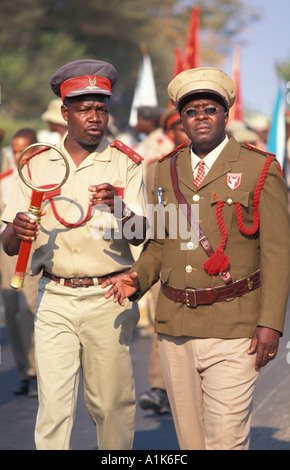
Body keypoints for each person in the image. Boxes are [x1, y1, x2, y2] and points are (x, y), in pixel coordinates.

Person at [101, 67, 290, 450]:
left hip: (236, 325)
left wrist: (271, 323)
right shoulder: (162, 171)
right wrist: (136, 277)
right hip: (176, 326)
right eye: (191, 111)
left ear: (225, 114)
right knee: (191, 442)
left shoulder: (260, 167)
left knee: (226, 439)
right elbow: (159, 242)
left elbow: (277, 252)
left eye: (209, 108)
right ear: (180, 119)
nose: (200, 116)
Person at [1, 59, 147, 450]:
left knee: (111, 404)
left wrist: (117, 206)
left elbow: (145, 232)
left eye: (101, 107)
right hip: (54, 297)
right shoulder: (37, 163)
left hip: (108, 298)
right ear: (66, 113)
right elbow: (9, 243)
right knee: (53, 409)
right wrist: (18, 227)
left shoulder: (126, 163)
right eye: (84, 109)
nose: (95, 116)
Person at [138, 108, 191, 415]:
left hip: (208, 264)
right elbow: (148, 221)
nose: (184, 132)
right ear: (171, 133)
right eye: (178, 128)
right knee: (164, 323)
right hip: (166, 256)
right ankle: (159, 388)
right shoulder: (154, 169)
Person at [0, 128, 40, 396]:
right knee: (12, 314)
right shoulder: (4, 181)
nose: (18, 156)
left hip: (35, 249)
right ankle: (25, 370)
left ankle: (38, 371)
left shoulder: (41, 178)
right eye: (14, 150)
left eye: (23, 149)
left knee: (30, 312)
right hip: (8, 250)